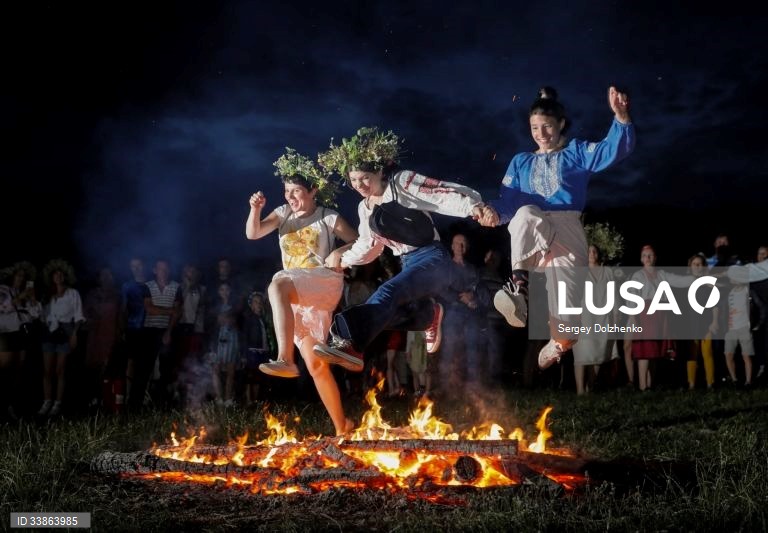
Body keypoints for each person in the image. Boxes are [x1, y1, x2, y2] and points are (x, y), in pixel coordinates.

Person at [480, 86, 635, 370]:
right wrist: (492, 212)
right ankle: (519, 289)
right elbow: (507, 203)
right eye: (534, 128)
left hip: (567, 229)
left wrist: (621, 117)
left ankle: (560, 343)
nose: (541, 134)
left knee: (568, 326)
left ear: (561, 124)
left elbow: (611, 150)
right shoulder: (521, 162)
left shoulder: (575, 153)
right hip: (534, 228)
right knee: (526, 214)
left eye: (547, 126)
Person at [312, 127, 487, 375]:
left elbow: (439, 193)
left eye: (365, 178)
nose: (359, 185)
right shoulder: (365, 209)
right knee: (385, 310)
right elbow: (368, 247)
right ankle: (428, 315)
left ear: (379, 171)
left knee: (387, 293)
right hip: (408, 263)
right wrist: (342, 259)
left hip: (433, 258)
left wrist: (473, 207)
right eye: (354, 180)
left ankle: (347, 342)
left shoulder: (401, 183)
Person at [245, 147, 358, 436]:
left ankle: (284, 359)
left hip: (321, 281)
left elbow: (360, 241)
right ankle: (343, 426)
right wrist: (255, 209)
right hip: (297, 297)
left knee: (277, 285)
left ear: (313, 191)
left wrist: (339, 252)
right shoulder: (283, 214)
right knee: (316, 365)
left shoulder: (328, 217)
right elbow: (253, 233)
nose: (290, 197)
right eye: (287, 191)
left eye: (296, 191)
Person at [38, 259, 85, 417]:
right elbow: (41, 315)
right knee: (47, 370)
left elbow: (78, 315)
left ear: (65, 276)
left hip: (66, 332)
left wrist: (74, 334)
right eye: (55, 274)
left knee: (60, 370)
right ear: (51, 277)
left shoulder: (73, 293)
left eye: (61, 274)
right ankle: (47, 401)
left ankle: (57, 403)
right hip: (49, 332)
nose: (58, 276)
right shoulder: (47, 295)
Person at [571, 245, 620, 395]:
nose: (592, 254)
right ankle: (580, 390)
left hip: (603, 317)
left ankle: (590, 387)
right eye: (589, 251)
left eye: (594, 251)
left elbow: (614, 294)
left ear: (598, 254)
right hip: (583, 316)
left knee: (599, 352)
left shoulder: (608, 272)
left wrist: (616, 314)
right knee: (581, 352)